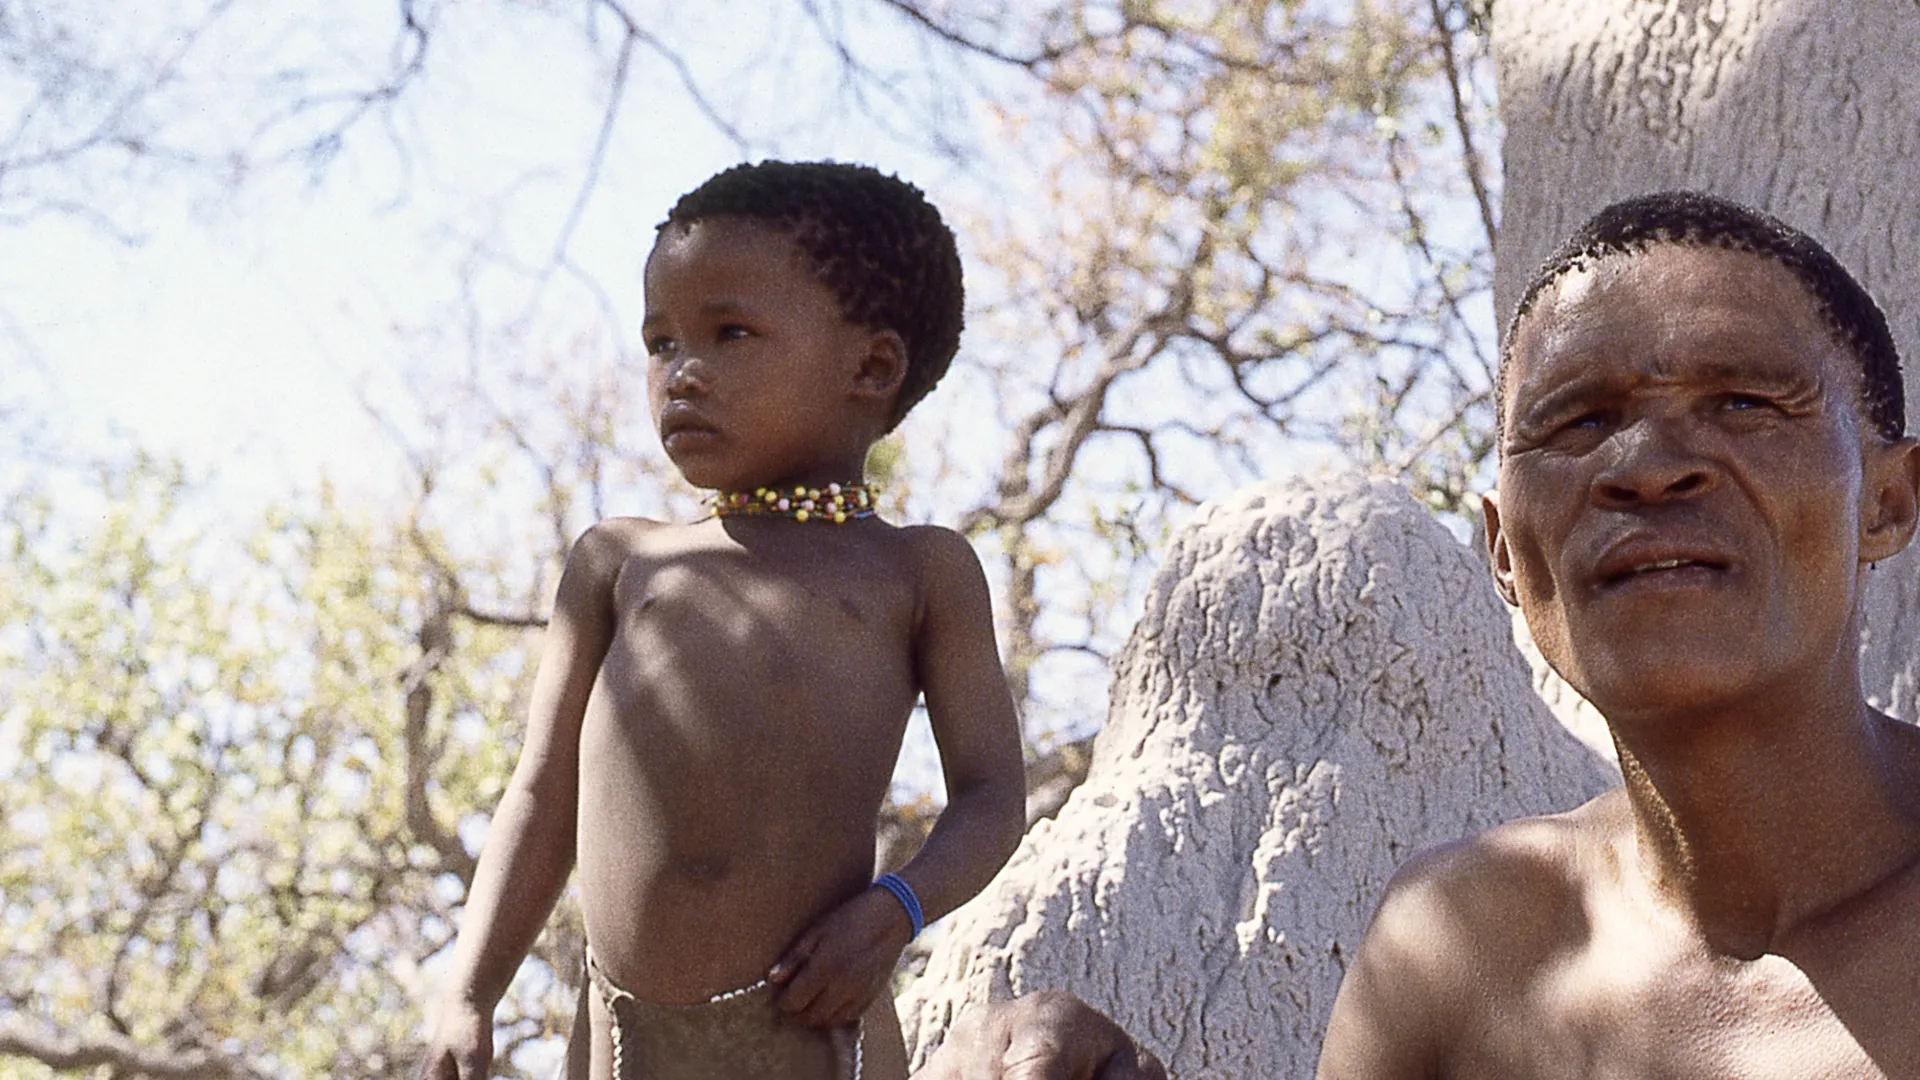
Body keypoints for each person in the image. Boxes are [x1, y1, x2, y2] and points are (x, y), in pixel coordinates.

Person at [916, 190, 1920, 1078]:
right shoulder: (1465, 942)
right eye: (1576, 422)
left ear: (1886, 501)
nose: (1647, 467)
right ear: (1502, 556)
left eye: (1743, 403)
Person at [417, 160, 1028, 1080]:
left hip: (815, 1032)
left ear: (872, 364)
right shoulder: (618, 563)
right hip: (619, 1043)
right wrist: (469, 990)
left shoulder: (916, 570)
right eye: (660, 343)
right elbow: (541, 795)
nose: (681, 374)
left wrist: (894, 909)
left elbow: (990, 798)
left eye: (728, 332)